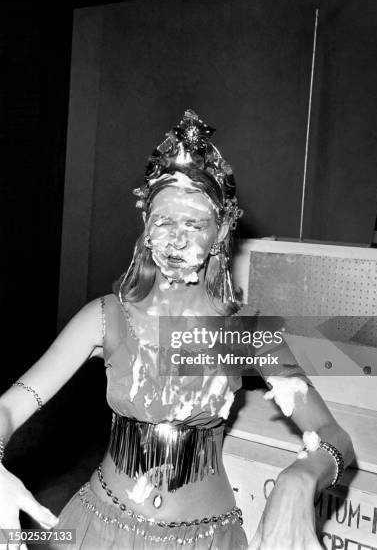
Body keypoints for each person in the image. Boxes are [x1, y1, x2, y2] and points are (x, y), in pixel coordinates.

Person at [0, 109, 353, 550]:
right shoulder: (107, 317)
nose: (177, 238)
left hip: (203, 539)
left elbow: (335, 437)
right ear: (145, 223)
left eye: (195, 224)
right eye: (164, 220)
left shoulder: (240, 331)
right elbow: (8, 409)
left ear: (222, 229)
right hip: (96, 531)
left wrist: (300, 479)